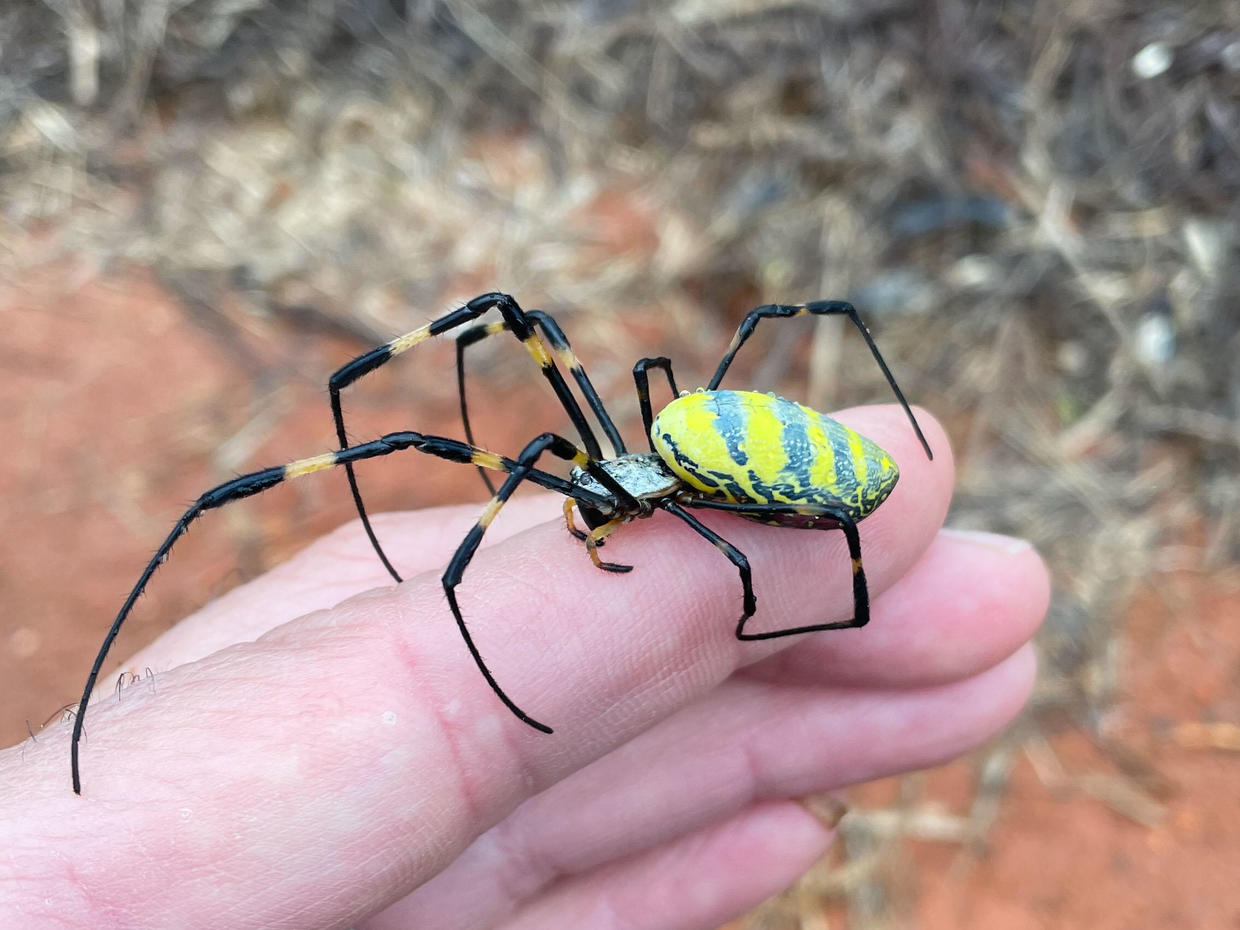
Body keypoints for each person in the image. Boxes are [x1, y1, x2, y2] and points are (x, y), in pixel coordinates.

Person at [0, 407, 1046, 928]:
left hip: (790, 481)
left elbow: (821, 592)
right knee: (435, 437)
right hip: (731, 461)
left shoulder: (701, 521)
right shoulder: (629, 481)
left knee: (740, 571)